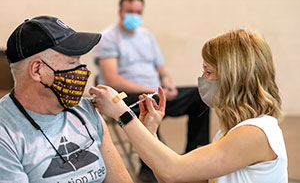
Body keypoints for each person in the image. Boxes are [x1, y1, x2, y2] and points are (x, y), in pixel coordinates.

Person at [90, 29, 288, 183]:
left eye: (208, 72)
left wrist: (121, 112)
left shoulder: (256, 134)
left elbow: (173, 172)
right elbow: (175, 178)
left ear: (233, 79)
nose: (203, 79)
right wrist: (149, 132)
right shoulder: (229, 133)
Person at [93, 0, 210, 182]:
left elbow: (162, 70)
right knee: (148, 102)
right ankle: (153, 166)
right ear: (120, 12)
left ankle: (194, 156)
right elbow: (112, 80)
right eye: (129, 11)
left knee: (200, 95)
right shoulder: (109, 37)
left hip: (155, 92)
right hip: (129, 95)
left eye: (138, 12)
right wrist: (148, 89)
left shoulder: (147, 36)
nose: (134, 15)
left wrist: (168, 85)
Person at [0, 16, 133, 183]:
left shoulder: (84, 111)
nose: (82, 69)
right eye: (72, 62)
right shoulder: (6, 133)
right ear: (37, 70)